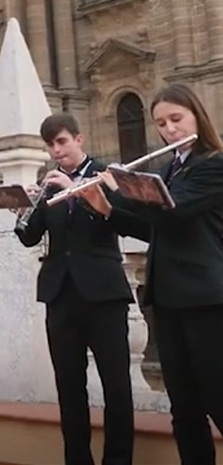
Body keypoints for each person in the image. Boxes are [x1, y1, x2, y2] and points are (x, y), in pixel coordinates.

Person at [81, 84, 223, 463]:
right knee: (185, 410)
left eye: (176, 119)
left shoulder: (213, 164)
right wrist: (107, 208)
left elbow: (174, 210)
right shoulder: (170, 169)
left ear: (196, 116)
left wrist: (119, 187)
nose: (169, 129)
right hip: (168, 299)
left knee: (218, 398)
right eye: (161, 122)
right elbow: (156, 228)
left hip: (206, 300)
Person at [15, 114, 149, 465]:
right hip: (60, 294)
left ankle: (118, 461)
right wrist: (24, 207)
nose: (56, 151)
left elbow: (130, 219)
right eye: (50, 145)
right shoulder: (50, 184)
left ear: (79, 139)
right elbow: (29, 236)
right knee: (69, 386)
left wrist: (88, 194)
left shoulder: (108, 175)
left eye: (61, 142)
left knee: (117, 386)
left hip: (104, 293)